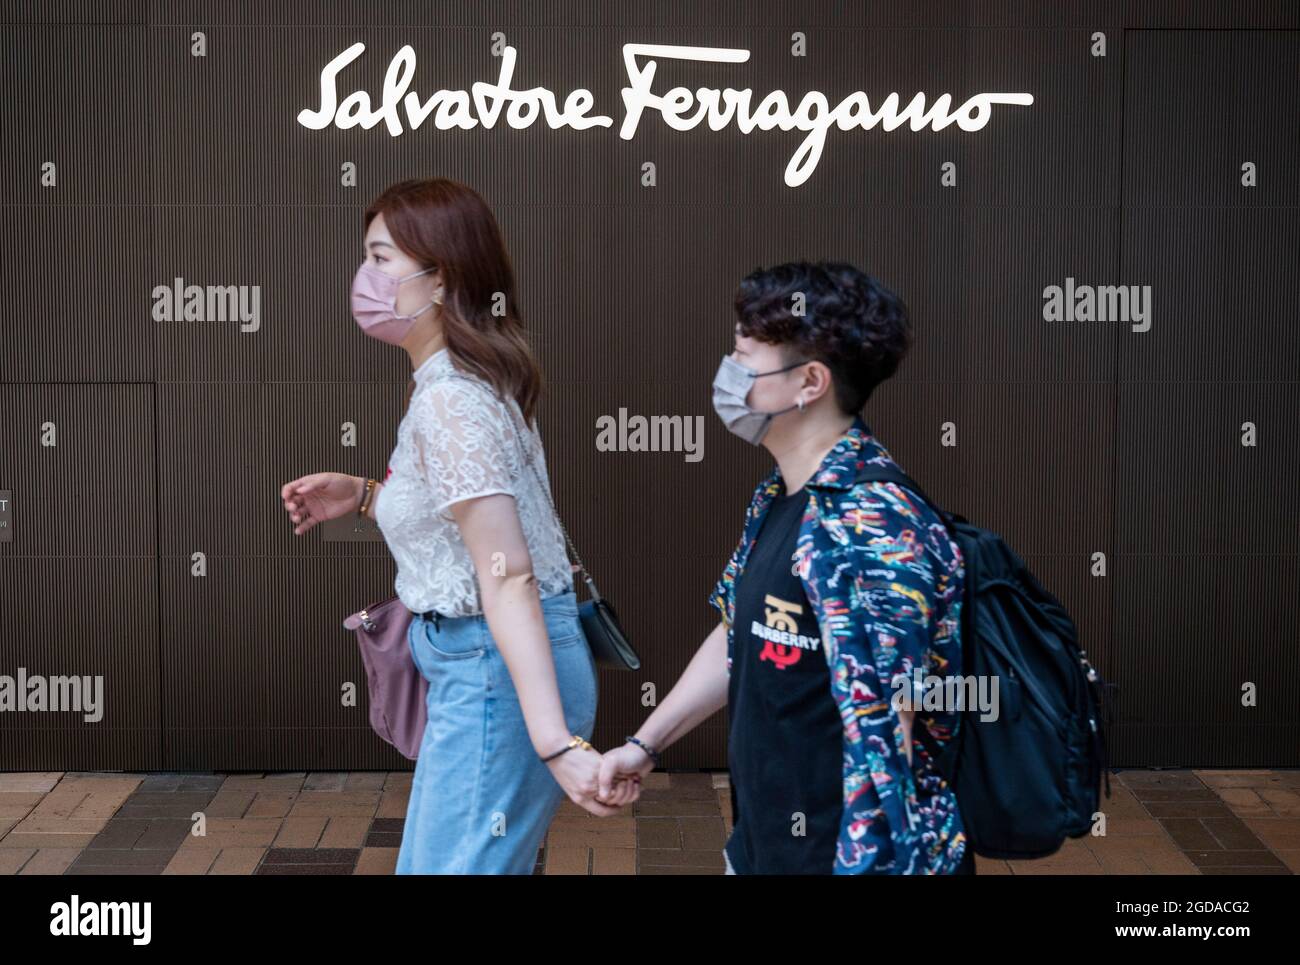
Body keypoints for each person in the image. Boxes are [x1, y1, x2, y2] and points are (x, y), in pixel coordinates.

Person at [280, 178, 637, 874]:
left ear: (440, 277)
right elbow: (463, 530)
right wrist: (362, 496)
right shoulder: (468, 382)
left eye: (381, 258)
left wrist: (554, 742)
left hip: (494, 670)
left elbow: (508, 576)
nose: (365, 277)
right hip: (487, 668)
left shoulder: (452, 402)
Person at [598, 260, 973, 874]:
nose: (729, 373)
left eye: (744, 355)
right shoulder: (782, 496)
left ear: (810, 382)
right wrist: (646, 745)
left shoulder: (873, 524)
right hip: (764, 844)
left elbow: (889, 739)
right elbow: (742, 632)